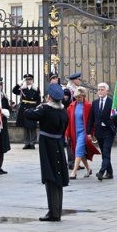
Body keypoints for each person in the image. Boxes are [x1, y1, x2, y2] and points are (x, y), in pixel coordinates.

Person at [24, 83, 69, 221]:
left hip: (47, 146)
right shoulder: (63, 111)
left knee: (50, 178)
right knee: (58, 178)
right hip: (58, 144)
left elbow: (28, 114)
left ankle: (53, 213)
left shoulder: (45, 109)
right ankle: (57, 210)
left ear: (49, 97)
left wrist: (29, 105)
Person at [66, 86, 96, 179]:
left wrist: (90, 133)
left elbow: (92, 121)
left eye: (79, 97)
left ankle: (74, 172)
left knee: (78, 150)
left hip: (84, 132)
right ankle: (88, 169)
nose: (78, 99)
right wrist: (67, 133)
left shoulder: (88, 106)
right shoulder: (71, 106)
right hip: (75, 132)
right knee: (80, 152)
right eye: (76, 97)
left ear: (84, 96)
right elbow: (68, 121)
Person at [92, 82, 115, 180]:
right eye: (99, 89)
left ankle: (101, 171)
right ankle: (110, 173)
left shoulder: (112, 103)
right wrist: (89, 132)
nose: (100, 91)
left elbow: (115, 117)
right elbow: (91, 118)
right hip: (99, 131)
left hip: (108, 131)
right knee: (104, 153)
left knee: (106, 152)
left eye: (102, 89)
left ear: (107, 91)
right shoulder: (95, 103)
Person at [12, 73, 41, 149]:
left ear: (32, 80)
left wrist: (36, 109)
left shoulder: (36, 89)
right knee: (25, 127)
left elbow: (38, 100)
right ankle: (26, 142)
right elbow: (14, 91)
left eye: (30, 79)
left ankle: (32, 143)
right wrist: (18, 84)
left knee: (32, 126)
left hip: (32, 108)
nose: (28, 81)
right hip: (24, 108)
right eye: (27, 80)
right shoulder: (22, 89)